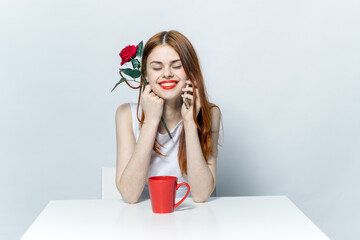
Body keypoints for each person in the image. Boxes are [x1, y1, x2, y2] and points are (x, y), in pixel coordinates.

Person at [115, 30, 223, 204]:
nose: (167, 74)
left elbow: (202, 195)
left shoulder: (210, 114)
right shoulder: (126, 114)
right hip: (143, 221)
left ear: (190, 71)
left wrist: (189, 121)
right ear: (146, 75)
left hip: (193, 220)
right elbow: (129, 195)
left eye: (177, 66)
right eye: (157, 67)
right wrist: (150, 121)